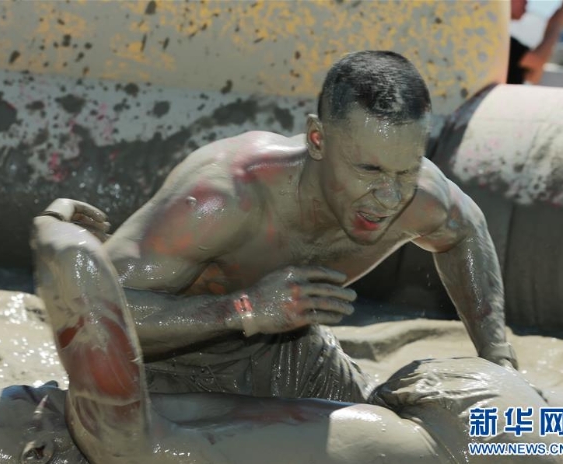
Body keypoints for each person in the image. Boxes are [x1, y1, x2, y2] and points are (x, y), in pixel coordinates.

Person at [41, 51, 518, 405]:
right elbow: (93, 317)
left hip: (295, 355)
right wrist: (240, 309)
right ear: (317, 139)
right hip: (165, 368)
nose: (391, 197)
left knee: (420, 440)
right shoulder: (222, 196)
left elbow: (465, 231)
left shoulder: (420, 196)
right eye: (369, 171)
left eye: (406, 170)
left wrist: (499, 361)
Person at [0, 216, 562, 464]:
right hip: (485, 436)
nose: (56, 386)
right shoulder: (137, 448)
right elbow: (82, 283)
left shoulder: (163, 447)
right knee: (559, 433)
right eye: (38, 398)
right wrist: (53, 231)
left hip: (481, 429)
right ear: (35, 453)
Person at [508, 0, 563, 84]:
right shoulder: (498, 41)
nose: (526, 2)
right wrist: (558, 22)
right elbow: (537, 61)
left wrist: (553, 24)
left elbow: (533, 75)